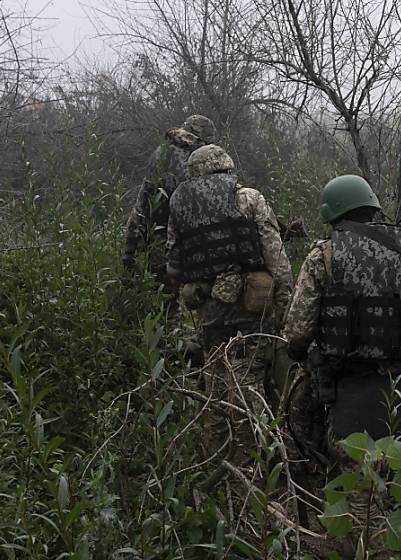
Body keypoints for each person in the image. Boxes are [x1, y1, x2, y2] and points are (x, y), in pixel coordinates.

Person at [282, 174, 401, 552]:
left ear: (333, 213)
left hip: (350, 387)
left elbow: (297, 334)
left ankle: (359, 545)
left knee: (357, 479)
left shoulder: (326, 254)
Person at [166, 144, 293, 458]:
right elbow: (277, 259)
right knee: (250, 384)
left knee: (216, 383)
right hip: (251, 308)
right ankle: (260, 465)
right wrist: (285, 304)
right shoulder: (249, 198)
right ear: (226, 168)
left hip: (209, 310)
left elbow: (174, 265)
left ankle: (219, 460)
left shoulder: (179, 206)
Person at [122, 114, 216, 286]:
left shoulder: (160, 152)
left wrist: (129, 248)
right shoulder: (199, 159)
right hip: (187, 243)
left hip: (156, 238)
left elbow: (143, 201)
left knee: (160, 294)